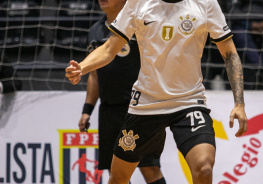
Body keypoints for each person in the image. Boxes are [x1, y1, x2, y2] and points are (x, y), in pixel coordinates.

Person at [66, 0, 248, 183]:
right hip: (146, 105)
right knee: (118, 177)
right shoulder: (137, 3)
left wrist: (239, 103)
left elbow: (230, 53)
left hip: (189, 102)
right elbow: (108, 49)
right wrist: (82, 67)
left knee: (204, 167)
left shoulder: (206, 3)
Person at [78, 0, 166, 184]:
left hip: (140, 109)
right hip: (109, 110)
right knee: (115, 174)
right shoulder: (95, 30)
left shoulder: (141, 25)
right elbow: (94, 76)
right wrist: (87, 110)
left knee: (149, 167)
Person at [230, 0, 263, 89]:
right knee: (240, 36)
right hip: (244, 20)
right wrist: (249, 23)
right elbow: (232, 8)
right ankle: (259, 70)